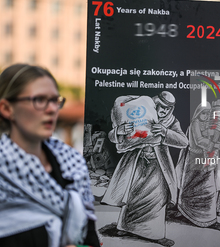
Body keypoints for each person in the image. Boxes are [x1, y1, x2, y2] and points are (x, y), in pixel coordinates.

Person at [0, 64, 100, 247]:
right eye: (39, 99)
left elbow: (89, 237)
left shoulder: (73, 163)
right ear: (7, 108)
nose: (52, 109)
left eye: (55, 100)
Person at [101, 91, 188, 247]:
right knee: (131, 196)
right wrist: (119, 131)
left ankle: (155, 235)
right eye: (162, 106)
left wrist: (165, 132)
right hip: (136, 163)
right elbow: (111, 136)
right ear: (155, 103)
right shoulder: (137, 112)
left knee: (157, 198)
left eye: (169, 108)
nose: (164, 111)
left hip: (158, 166)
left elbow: (183, 141)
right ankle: (125, 227)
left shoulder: (171, 121)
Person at [176, 102, 220, 231]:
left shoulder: (207, 124)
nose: (206, 115)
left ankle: (207, 219)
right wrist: (213, 144)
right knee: (190, 188)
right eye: (204, 112)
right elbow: (199, 141)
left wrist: (217, 136)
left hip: (206, 160)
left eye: (208, 113)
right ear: (198, 113)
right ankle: (186, 212)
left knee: (208, 189)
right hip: (195, 159)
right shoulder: (195, 123)